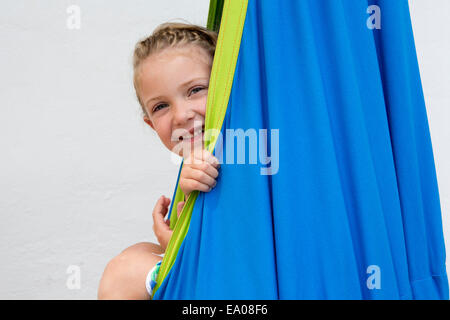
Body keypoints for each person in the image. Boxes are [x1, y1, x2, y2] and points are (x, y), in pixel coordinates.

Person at [98, 22, 220, 299]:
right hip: (205, 273)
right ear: (151, 124)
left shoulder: (242, 151)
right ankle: (162, 278)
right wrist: (173, 236)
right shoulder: (189, 166)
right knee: (138, 251)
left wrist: (176, 247)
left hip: (229, 278)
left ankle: (163, 278)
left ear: (227, 91)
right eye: (161, 106)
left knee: (123, 274)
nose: (181, 115)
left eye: (195, 90)